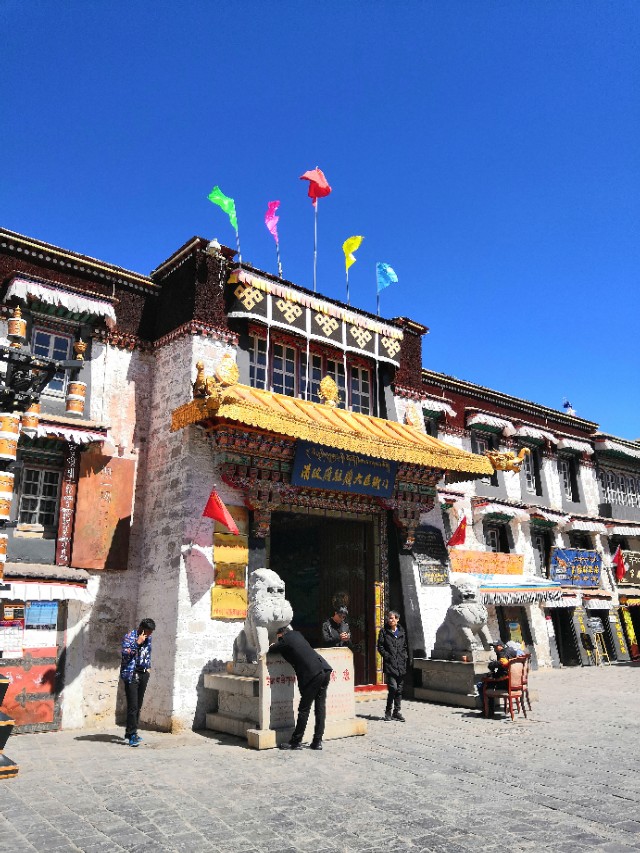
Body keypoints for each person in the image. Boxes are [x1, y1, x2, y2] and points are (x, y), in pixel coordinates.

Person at [268, 625, 333, 751]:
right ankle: (317, 742)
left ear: (281, 635)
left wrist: (273, 644)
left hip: (313, 674)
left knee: (304, 709)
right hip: (325, 669)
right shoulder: (297, 634)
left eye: (279, 638)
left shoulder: (285, 640)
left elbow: (272, 650)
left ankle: (295, 742)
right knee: (320, 707)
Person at [120, 618, 155, 747]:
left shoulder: (148, 638)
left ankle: (130, 732)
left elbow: (146, 654)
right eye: (148, 631)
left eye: (151, 632)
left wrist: (148, 669)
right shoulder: (129, 637)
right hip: (132, 674)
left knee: (138, 705)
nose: (150, 634)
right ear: (142, 628)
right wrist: (137, 643)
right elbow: (125, 653)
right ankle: (132, 734)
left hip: (144, 673)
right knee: (133, 706)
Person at [377, 610, 408, 722]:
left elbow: (404, 647)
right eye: (389, 618)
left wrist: (404, 657)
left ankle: (396, 712)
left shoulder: (402, 632)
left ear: (397, 619)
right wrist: (387, 656)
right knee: (393, 688)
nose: (390, 620)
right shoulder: (384, 631)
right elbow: (380, 646)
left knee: (399, 690)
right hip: (390, 665)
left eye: (392, 618)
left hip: (401, 664)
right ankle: (388, 711)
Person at [478, 639, 517, 717]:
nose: (494, 649)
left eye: (496, 647)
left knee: (482, 685)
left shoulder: (502, 653)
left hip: (505, 683)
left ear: (500, 646)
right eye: (494, 647)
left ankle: (488, 710)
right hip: (514, 681)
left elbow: (502, 663)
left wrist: (491, 665)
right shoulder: (512, 651)